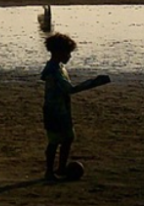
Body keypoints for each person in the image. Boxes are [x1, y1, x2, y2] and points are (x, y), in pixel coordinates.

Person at [41, 32, 110, 180]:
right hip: (54, 110)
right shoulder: (53, 71)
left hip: (63, 109)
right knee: (54, 141)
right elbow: (69, 89)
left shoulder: (58, 67)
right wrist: (93, 83)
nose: (69, 56)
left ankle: (60, 168)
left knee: (68, 138)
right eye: (67, 53)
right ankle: (49, 172)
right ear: (59, 52)